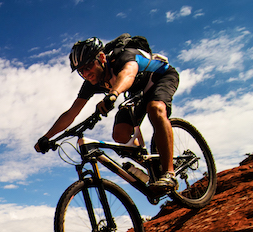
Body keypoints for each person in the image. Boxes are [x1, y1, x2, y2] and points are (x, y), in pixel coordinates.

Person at [34, 36, 180, 192]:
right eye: (81, 71)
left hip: (160, 77)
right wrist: (47, 137)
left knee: (155, 109)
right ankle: (151, 166)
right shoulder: (91, 83)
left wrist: (113, 94)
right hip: (136, 92)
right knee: (120, 135)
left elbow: (128, 74)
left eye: (89, 66)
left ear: (102, 58)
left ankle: (169, 173)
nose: (86, 73)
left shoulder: (122, 57)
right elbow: (71, 113)